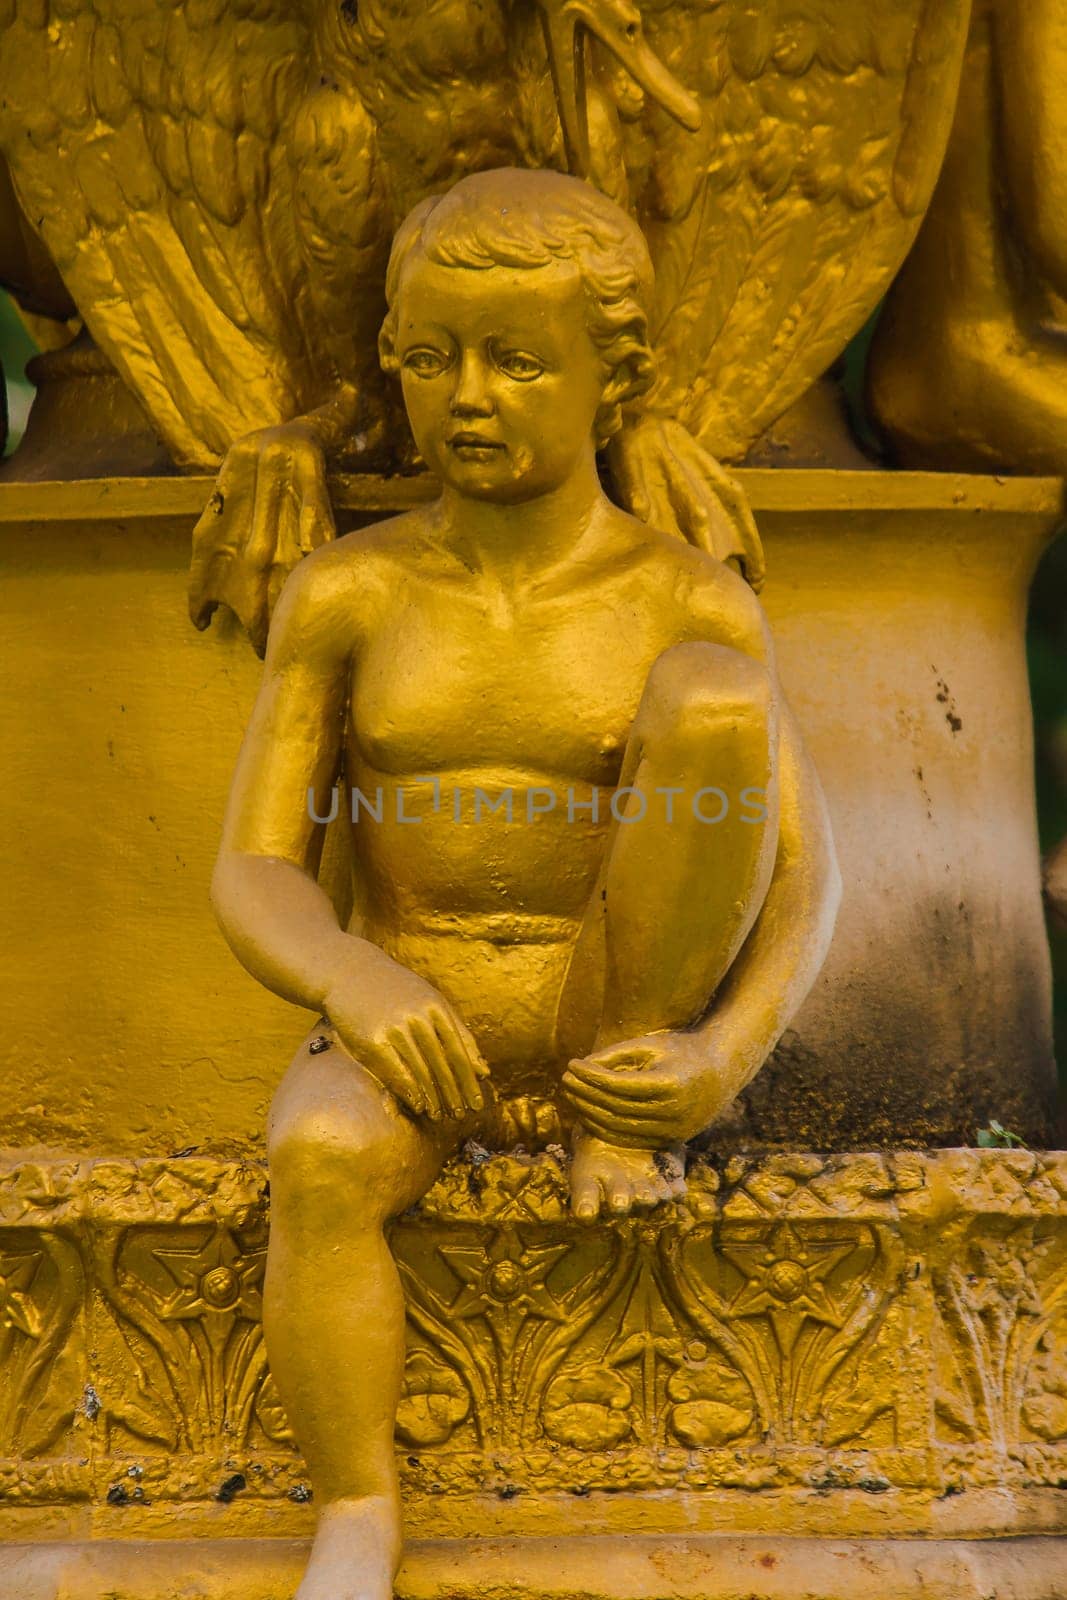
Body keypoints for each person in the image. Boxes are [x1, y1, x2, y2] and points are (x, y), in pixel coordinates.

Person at [211, 168, 840, 1600]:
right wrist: (350, 978)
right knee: (314, 1157)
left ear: (610, 380)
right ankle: (358, 1510)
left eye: (516, 359)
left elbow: (805, 879)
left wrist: (711, 1057)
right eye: (430, 360)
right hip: (416, 1017)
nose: (468, 397)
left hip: (611, 1010)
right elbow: (255, 861)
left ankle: (613, 1115)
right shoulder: (352, 594)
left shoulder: (682, 593)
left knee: (716, 706)